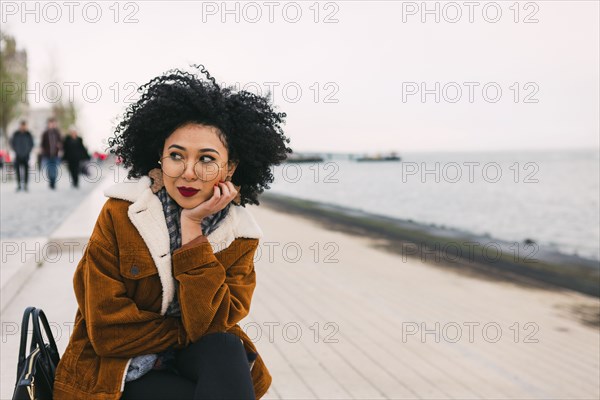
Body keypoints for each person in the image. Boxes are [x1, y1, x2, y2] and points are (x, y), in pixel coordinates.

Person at [52, 64, 292, 400]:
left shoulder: (239, 237)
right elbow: (108, 331)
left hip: (188, 361)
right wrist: (185, 332)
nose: (189, 173)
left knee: (224, 347)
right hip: (115, 373)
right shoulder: (121, 215)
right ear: (160, 159)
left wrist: (192, 230)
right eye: (176, 156)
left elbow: (211, 328)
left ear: (231, 168)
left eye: (207, 159)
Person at [9, 120, 34, 192]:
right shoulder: (16, 134)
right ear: (20, 126)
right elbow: (12, 143)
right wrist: (16, 151)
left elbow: (31, 144)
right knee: (17, 171)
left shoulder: (28, 134)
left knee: (26, 171)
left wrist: (28, 151)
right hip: (17, 155)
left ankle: (26, 185)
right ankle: (19, 185)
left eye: (24, 125)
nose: (23, 127)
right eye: (22, 125)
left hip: (26, 156)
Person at [40, 117, 63, 189]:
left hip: (56, 154)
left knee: (55, 169)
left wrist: (60, 146)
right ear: (48, 124)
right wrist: (43, 151)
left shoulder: (57, 133)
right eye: (51, 123)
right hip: (47, 155)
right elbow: (42, 144)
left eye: (53, 123)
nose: (52, 125)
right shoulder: (45, 133)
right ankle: (51, 182)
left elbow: (61, 142)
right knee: (50, 169)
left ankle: (53, 183)